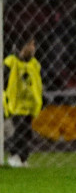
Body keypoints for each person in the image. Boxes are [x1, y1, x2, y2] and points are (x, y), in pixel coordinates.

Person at [3, 37, 43, 168]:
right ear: (22, 46)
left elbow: (36, 83)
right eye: (30, 44)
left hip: (29, 105)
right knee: (19, 131)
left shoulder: (34, 64)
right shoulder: (11, 62)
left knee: (26, 132)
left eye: (33, 44)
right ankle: (14, 156)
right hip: (15, 104)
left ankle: (22, 158)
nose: (33, 47)